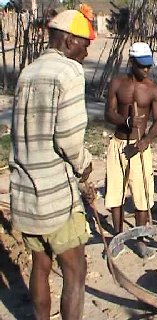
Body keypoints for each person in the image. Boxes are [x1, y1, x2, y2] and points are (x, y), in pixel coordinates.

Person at [9, 6, 95, 320]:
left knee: (40, 265)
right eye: (85, 44)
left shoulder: (28, 72)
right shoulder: (69, 72)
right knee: (76, 271)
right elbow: (69, 140)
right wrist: (85, 167)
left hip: (26, 192)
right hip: (55, 196)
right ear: (71, 41)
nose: (86, 52)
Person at [104, 42, 157, 259]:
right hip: (119, 145)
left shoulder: (153, 89)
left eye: (148, 66)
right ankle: (118, 238)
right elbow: (108, 113)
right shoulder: (117, 84)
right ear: (131, 63)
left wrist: (144, 142)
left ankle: (140, 241)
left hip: (139, 148)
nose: (146, 70)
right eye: (142, 66)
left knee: (142, 196)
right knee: (115, 194)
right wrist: (126, 120)